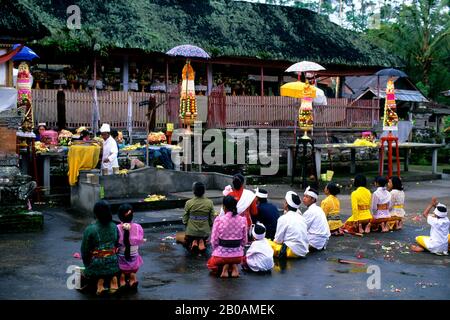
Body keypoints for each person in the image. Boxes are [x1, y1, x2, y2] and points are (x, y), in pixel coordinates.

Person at [80, 200, 120, 295]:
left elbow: (84, 250)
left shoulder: (90, 229)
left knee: (90, 271)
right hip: (114, 264)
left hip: (97, 265)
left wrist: (87, 265)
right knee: (108, 265)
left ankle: (100, 285)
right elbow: (116, 243)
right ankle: (113, 282)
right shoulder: (114, 226)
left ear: (95, 213)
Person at [207, 196, 247, 278]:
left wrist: (217, 250)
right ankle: (233, 266)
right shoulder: (243, 220)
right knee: (232, 257)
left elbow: (214, 240)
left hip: (221, 256)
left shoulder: (219, 220)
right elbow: (244, 241)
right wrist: (238, 248)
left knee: (210, 264)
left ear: (224, 207)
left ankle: (225, 267)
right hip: (238, 257)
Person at [267, 191, 309, 259]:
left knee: (266, 243)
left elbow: (278, 240)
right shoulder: (302, 218)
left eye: (285, 201)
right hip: (304, 251)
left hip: (291, 252)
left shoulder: (283, 218)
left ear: (286, 204)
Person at [116, 203, 145, 289]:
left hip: (121, 260)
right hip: (134, 259)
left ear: (119, 216)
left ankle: (122, 280)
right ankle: (133, 277)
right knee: (134, 262)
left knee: (119, 262)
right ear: (132, 215)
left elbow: (115, 242)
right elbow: (140, 240)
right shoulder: (138, 227)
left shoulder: (117, 228)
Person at [182, 182, 215, 254]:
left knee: (191, 233)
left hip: (191, 231)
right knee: (203, 233)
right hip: (204, 232)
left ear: (193, 191)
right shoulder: (209, 202)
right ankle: (201, 241)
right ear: (204, 191)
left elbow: (185, 217)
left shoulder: (189, 203)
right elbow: (212, 217)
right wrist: (210, 225)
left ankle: (194, 241)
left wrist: (186, 225)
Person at [301, 186, 331, 251]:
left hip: (314, 242)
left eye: (306, 197)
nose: (304, 199)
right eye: (304, 196)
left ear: (313, 199)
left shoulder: (311, 211)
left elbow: (302, 228)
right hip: (322, 242)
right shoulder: (318, 209)